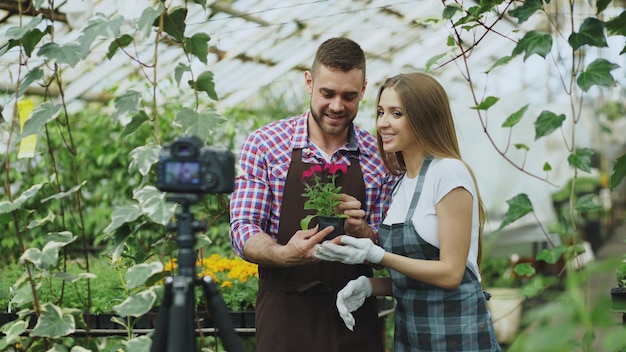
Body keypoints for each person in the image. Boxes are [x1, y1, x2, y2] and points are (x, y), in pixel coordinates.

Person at [229, 37, 398, 352]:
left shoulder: (380, 154)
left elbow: (394, 243)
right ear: (309, 82)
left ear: (363, 90)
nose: (336, 106)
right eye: (327, 93)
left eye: (349, 96)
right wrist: (283, 253)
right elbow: (243, 227)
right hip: (285, 319)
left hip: (354, 318)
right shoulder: (265, 144)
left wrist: (366, 233)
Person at [314, 72, 502, 351]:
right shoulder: (400, 185)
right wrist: (369, 286)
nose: (383, 123)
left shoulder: (448, 172)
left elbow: (451, 274)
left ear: (424, 117)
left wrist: (377, 255)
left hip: (457, 336)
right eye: (380, 112)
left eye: (396, 113)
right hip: (412, 337)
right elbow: (416, 281)